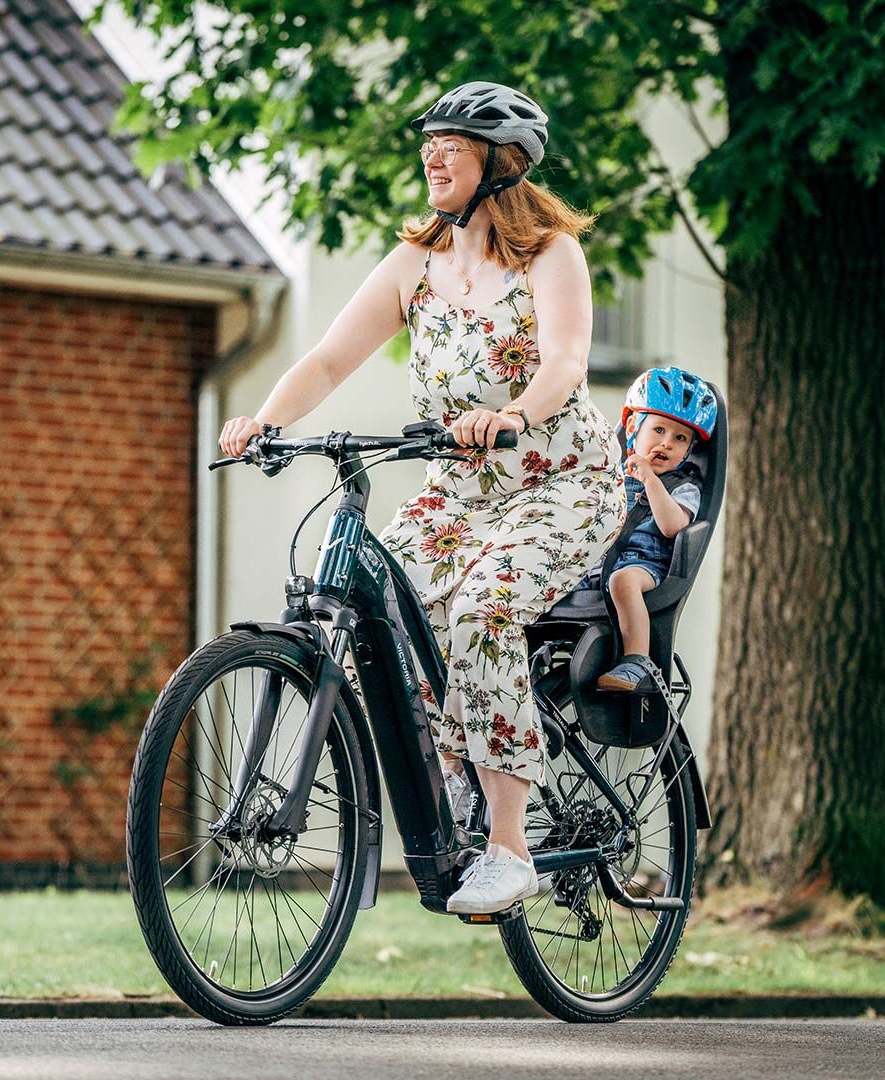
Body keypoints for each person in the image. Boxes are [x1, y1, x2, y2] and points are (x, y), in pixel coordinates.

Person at [219, 81, 625, 914]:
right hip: (461, 495)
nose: (431, 153)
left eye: (453, 142)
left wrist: (512, 415)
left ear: (501, 164)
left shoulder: (551, 255)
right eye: (428, 140)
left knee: (481, 608)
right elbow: (330, 361)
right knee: (378, 607)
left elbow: (566, 365)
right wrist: (263, 421)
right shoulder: (416, 263)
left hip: (561, 485)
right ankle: (453, 770)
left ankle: (510, 846)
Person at [581, 367, 718, 692]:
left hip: (645, 564)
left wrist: (651, 481)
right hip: (599, 563)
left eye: (680, 438)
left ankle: (636, 661)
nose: (667, 443)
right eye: (658, 430)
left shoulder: (683, 487)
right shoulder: (611, 475)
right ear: (632, 428)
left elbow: (673, 526)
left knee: (623, 581)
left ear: (688, 451)